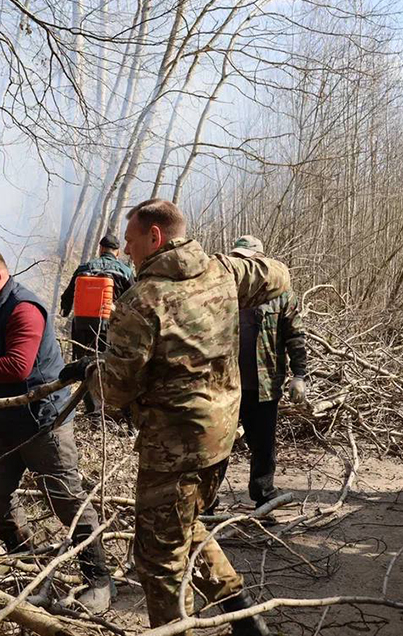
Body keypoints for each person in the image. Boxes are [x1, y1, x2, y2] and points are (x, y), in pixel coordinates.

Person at [61, 199, 290, 636]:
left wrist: (89, 371)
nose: (127, 251)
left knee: (157, 559)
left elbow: (113, 391)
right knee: (183, 527)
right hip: (221, 435)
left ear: (155, 237)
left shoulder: (142, 300)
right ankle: (242, 615)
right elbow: (279, 275)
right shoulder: (224, 271)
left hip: (173, 447)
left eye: (131, 242)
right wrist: (241, 258)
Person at [0, 246, 113, 612]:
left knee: (66, 501)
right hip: (5, 423)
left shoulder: (25, 309)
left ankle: (99, 580)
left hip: (44, 422)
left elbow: (17, 367)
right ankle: (27, 564)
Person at [230, 235, 308, 508]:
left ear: (261, 263)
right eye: (237, 259)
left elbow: (295, 336)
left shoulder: (281, 295)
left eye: (246, 260)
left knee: (263, 445)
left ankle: (263, 496)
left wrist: (300, 375)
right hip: (225, 385)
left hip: (264, 385)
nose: (242, 266)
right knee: (217, 447)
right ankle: (207, 502)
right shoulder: (223, 291)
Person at [60, 233, 134, 413]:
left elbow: (67, 297)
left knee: (85, 366)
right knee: (104, 365)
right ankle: (108, 409)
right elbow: (135, 298)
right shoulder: (124, 270)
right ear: (117, 252)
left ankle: (92, 409)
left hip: (81, 327)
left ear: (100, 249)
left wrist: (65, 311)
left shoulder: (84, 267)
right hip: (108, 327)